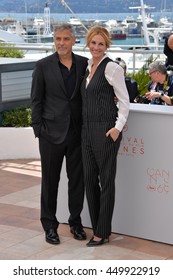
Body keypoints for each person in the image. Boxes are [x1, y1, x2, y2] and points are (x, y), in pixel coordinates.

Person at [31, 23, 88, 245]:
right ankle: (50, 226)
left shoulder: (85, 64)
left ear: (74, 40)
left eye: (65, 39)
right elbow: (36, 100)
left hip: (77, 134)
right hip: (50, 134)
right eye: (57, 39)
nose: (61, 43)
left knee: (77, 182)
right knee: (50, 182)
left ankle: (75, 223)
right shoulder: (43, 66)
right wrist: (39, 130)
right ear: (54, 41)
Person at [81, 26, 129, 247]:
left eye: (101, 44)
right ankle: (97, 227)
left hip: (106, 132)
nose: (96, 47)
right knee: (90, 180)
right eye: (93, 43)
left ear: (106, 45)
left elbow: (124, 101)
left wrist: (117, 128)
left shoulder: (112, 68)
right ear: (88, 43)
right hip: (87, 133)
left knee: (106, 182)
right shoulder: (88, 66)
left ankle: (102, 232)